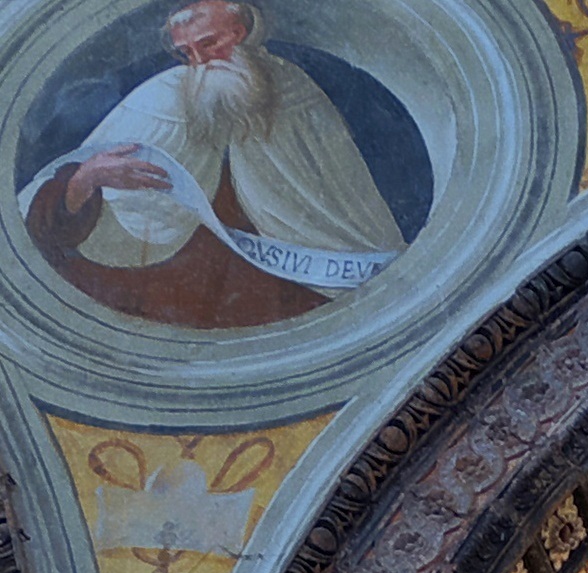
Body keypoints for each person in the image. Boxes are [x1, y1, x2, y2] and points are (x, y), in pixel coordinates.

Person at [21, 0, 406, 331]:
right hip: (170, 296)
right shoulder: (162, 99)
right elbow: (40, 225)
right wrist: (84, 181)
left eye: (209, 43)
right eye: (187, 52)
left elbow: (346, 195)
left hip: (291, 291)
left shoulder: (293, 91)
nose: (200, 62)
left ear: (239, 32)